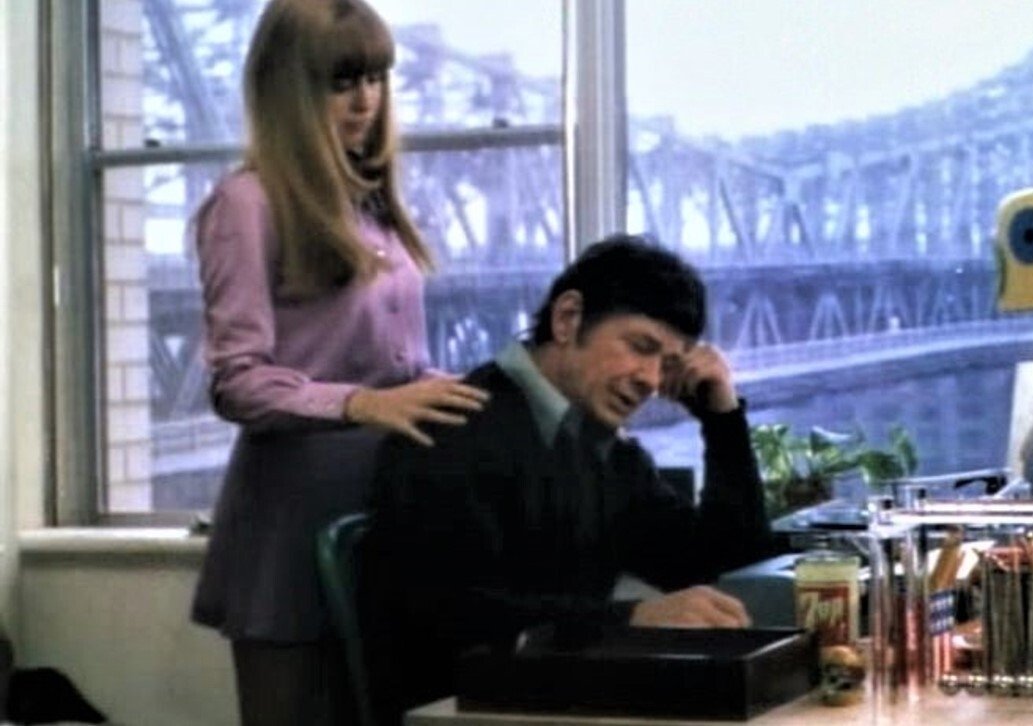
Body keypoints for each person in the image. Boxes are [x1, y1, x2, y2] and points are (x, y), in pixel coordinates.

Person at [188, 1, 488, 724]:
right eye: (342, 81)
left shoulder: (371, 205)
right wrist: (359, 403)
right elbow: (237, 381)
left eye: (376, 78)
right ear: (290, 89)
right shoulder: (246, 204)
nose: (366, 101)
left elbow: (397, 365)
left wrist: (463, 392)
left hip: (385, 509)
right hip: (290, 525)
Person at [360, 235, 776, 724]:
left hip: (555, 702)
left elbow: (722, 560)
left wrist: (721, 418)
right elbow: (452, 616)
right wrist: (630, 619)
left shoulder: (601, 448)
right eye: (640, 347)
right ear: (567, 319)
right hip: (463, 711)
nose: (650, 379)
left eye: (668, 365)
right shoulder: (451, 430)